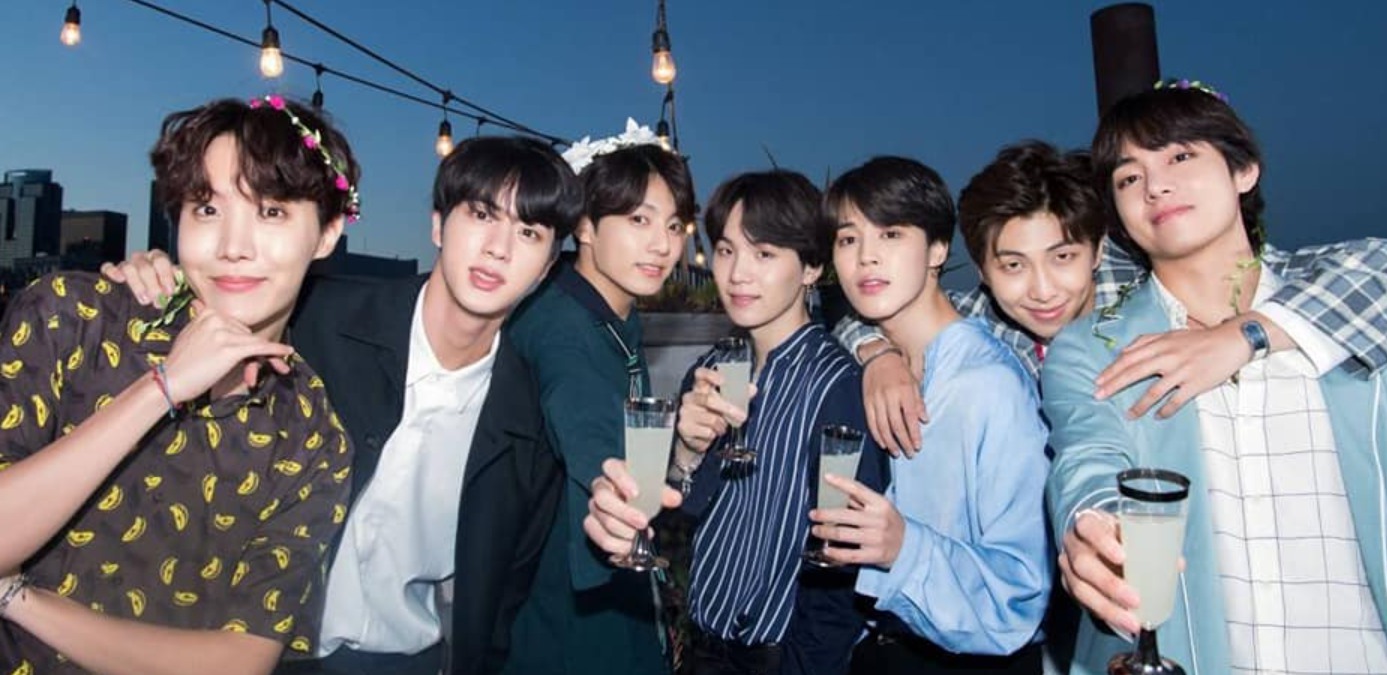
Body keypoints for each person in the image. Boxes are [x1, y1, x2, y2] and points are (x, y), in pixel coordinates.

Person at [104, 135, 583, 675]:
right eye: (481, 214)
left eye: (528, 232)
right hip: (252, 651)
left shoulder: (529, 419)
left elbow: (503, 600)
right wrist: (152, 281)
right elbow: (213, 313)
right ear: (438, 225)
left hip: (409, 661)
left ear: (547, 267)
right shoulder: (317, 319)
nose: (499, 248)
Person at [0, 95, 356, 674]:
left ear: (327, 234)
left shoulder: (310, 431)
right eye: (207, 209)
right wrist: (161, 388)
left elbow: (240, 660)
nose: (233, 246)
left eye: (271, 212)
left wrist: (20, 601)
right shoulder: (73, 319)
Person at [1046, 81, 1387, 674]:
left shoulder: (1344, 302)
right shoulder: (1093, 346)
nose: (1155, 186)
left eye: (1181, 156)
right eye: (1128, 178)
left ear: (1244, 170)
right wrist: (1094, 526)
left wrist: (1246, 333)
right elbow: (1086, 455)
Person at [841, 141, 1387, 457]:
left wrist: (1242, 335)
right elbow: (881, 311)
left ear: (1098, 249)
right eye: (1013, 266)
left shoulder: (1149, 295)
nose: (1042, 290)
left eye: (1062, 257)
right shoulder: (991, 318)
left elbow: (1364, 270)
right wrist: (877, 354)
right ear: (984, 271)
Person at [583, 170, 888, 675]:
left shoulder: (839, 386)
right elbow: (686, 511)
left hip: (778, 658)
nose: (737, 273)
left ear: (811, 267)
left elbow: (844, 559)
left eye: (764, 254)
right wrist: (686, 450)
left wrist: (804, 666)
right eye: (726, 251)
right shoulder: (712, 370)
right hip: (704, 645)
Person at [812, 157, 1051, 673]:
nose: (866, 257)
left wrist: (904, 547)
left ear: (938, 249)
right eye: (849, 239)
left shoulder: (988, 383)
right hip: (874, 648)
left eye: (891, 234)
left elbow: (1020, 592)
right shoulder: (869, 362)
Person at [502, 123, 696, 675]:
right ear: (585, 225)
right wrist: (617, 487)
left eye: (674, 225)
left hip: (605, 590)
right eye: (638, 220)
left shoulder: (610, 315)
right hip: (568, 613)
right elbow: (590, 433)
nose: (663, 245)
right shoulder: (562, 328)